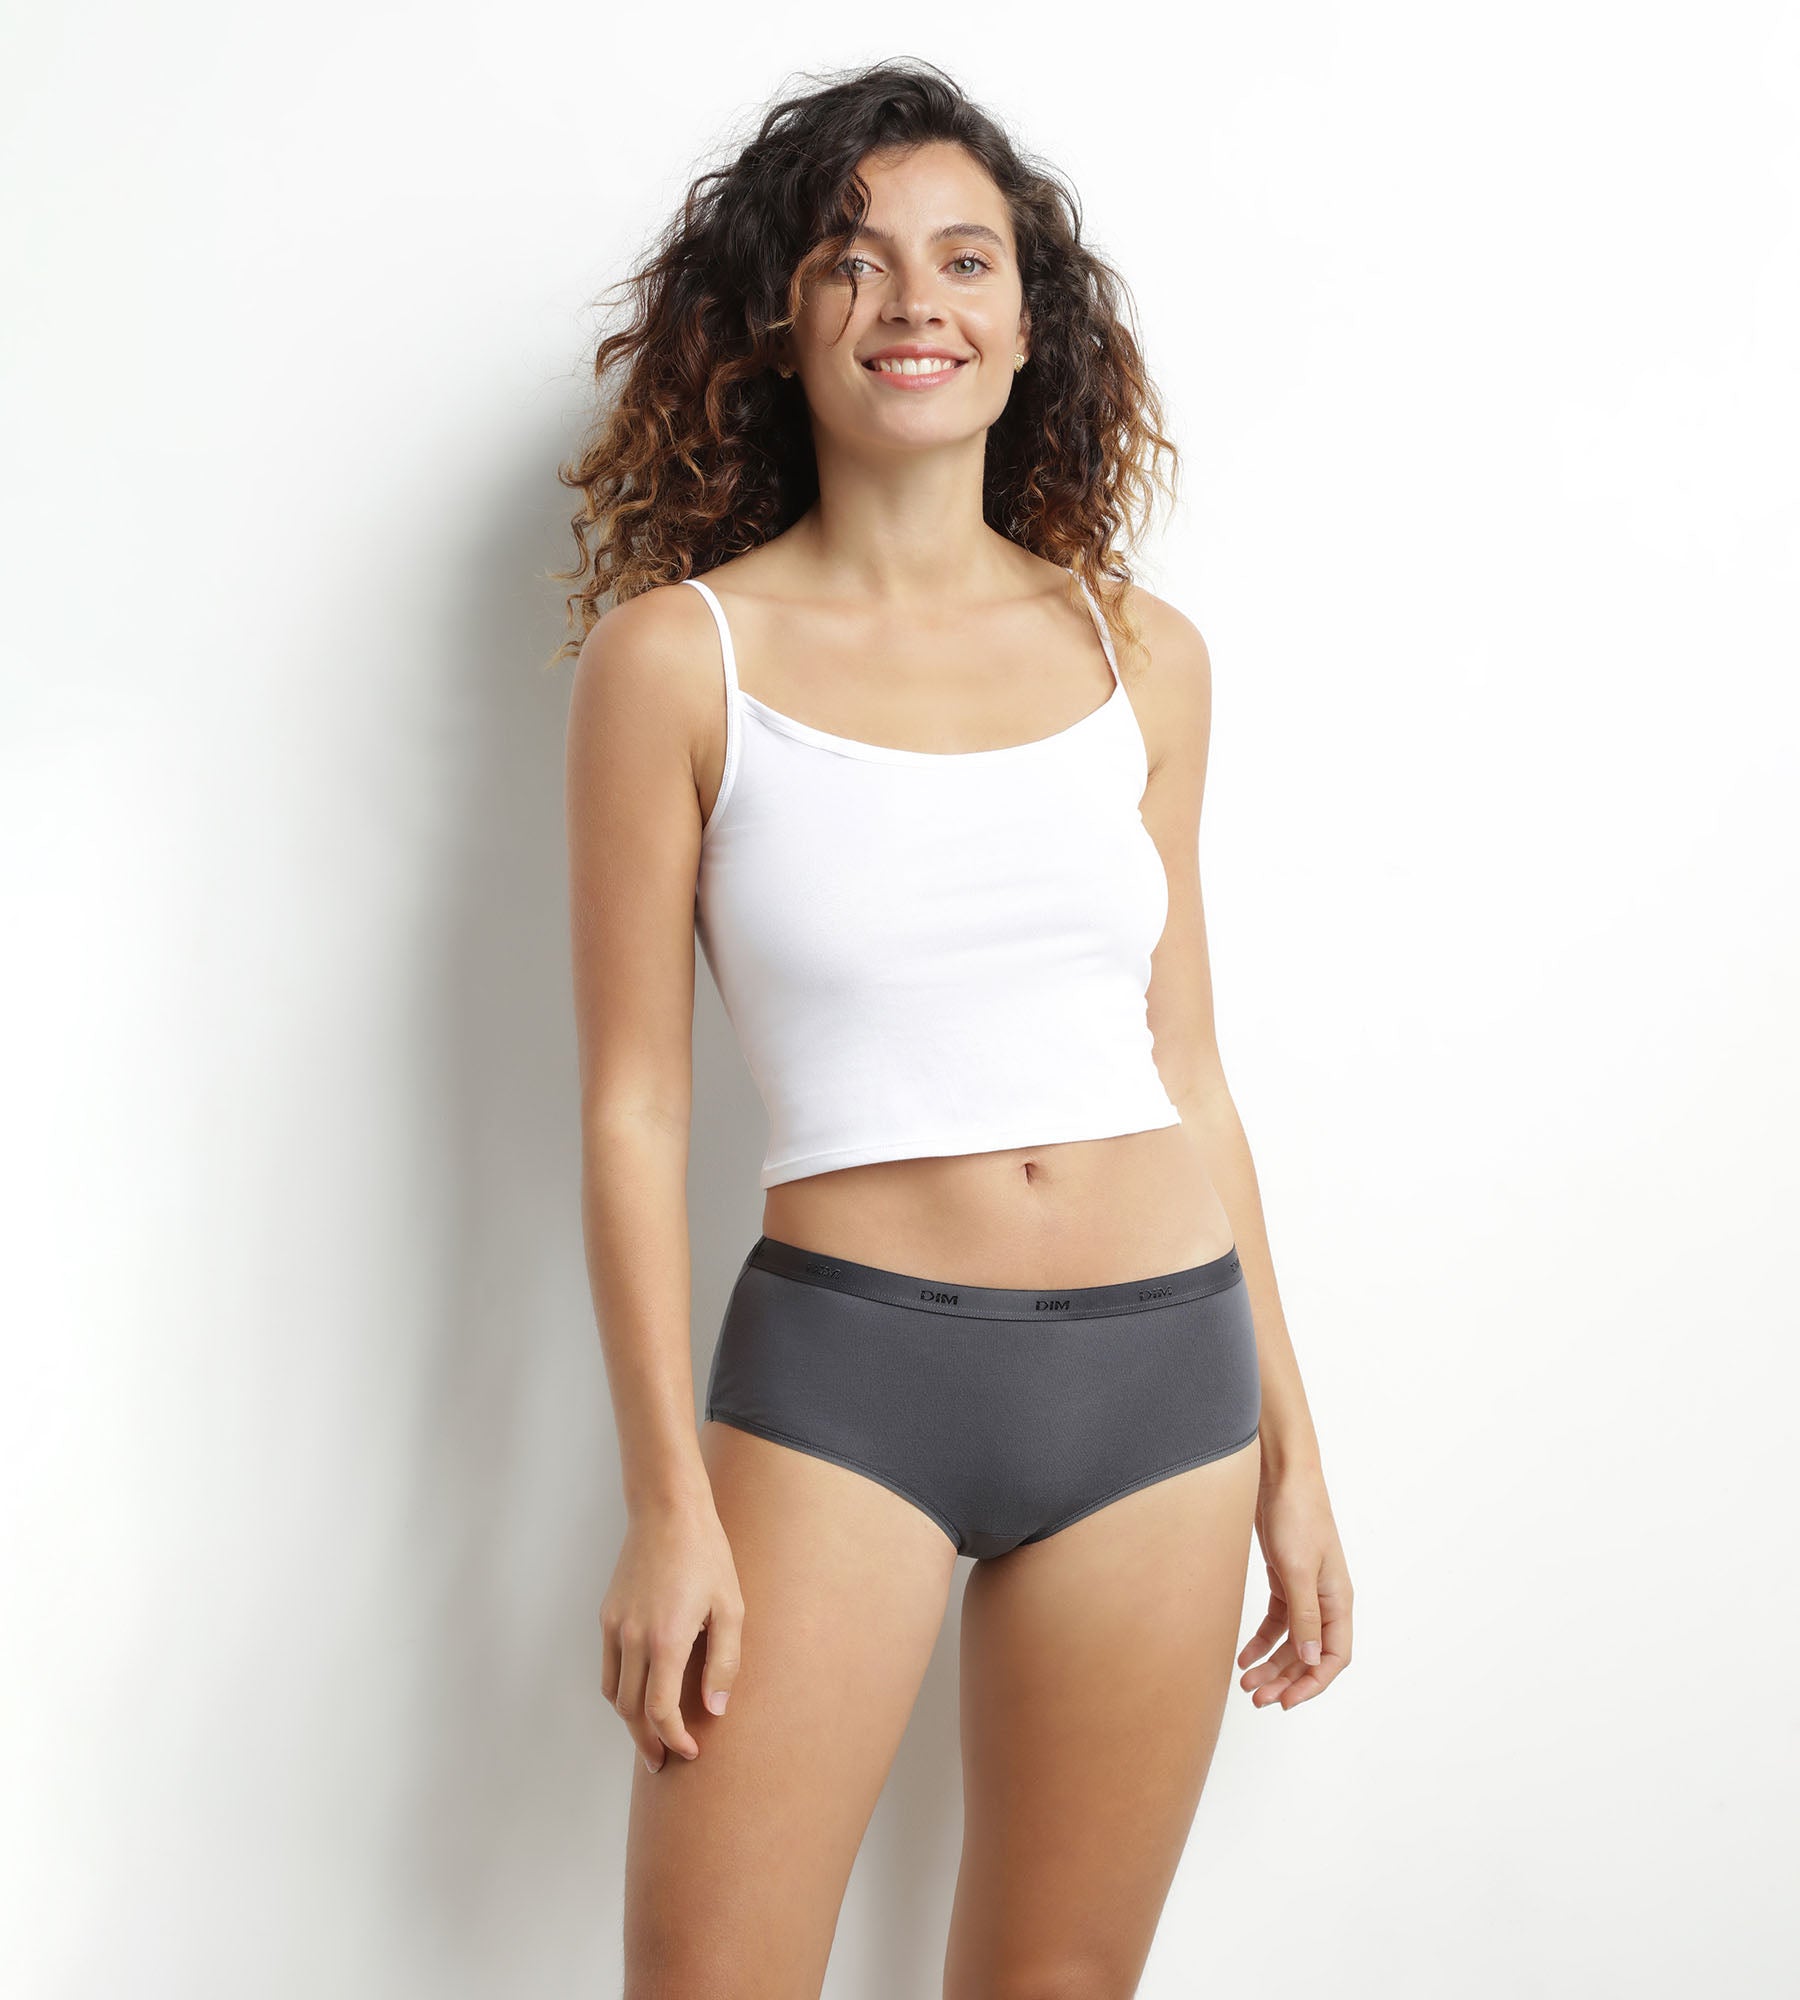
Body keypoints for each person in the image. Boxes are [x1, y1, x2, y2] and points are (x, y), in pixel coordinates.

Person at [553, 58, 1353, 1999]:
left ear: (1027, 323)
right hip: (846, 1383)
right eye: (852, 259)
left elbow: (1190, 1070)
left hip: (1162, 1379)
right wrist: (666, 1500)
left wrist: (1294, 1452)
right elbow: (636, 1108)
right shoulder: (678, 661)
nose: (913, 298)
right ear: (779, 323)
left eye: (965, 258)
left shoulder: (1139, 654)